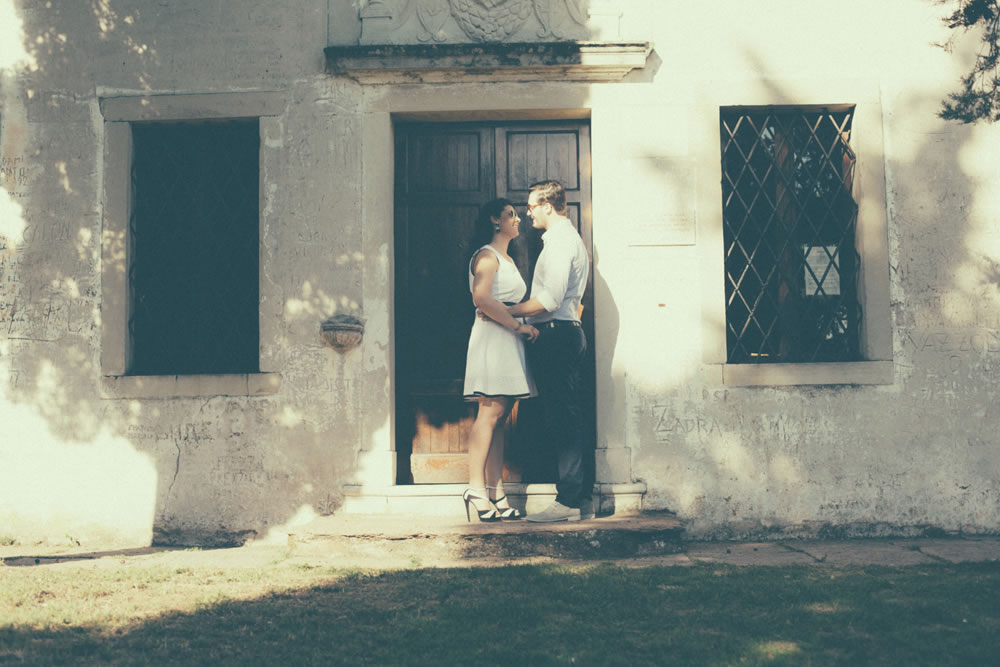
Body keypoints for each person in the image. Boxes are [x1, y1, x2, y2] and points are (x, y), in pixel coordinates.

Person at [508, 180, 593, 522]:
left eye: (530, 207)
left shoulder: (560, 243)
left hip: (557, 335)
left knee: (563, 417)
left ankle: (570, 501)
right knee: (563, 415)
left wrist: (506, 312)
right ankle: (573, 496)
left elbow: (549, 301)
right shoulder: (564, 240)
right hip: (561, 333)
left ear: (547, 206)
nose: (527, 214)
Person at [462, 198, 539, 522]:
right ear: (495, 220)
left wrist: (514, 322)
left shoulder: (506, 257)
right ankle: (475, 488)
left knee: (501, 414)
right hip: (494, 339)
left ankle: (497, 490)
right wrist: (517, 325)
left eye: (517, 214)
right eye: (510, 215)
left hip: (506, 338)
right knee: (490, 410)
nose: (517, 219)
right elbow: (481, 298)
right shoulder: (487, 256)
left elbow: (498, 303)